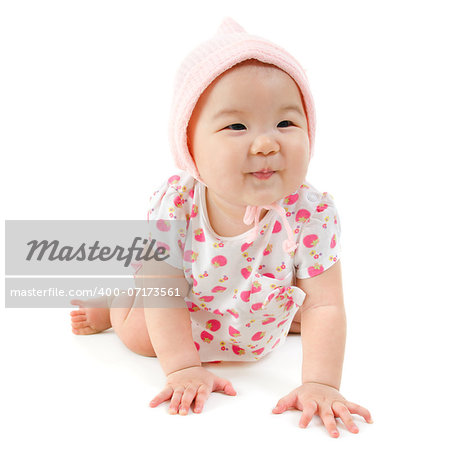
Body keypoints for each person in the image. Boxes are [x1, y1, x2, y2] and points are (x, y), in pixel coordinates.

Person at [70, 17, 373, 437]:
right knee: (141, 335)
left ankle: (260, 317)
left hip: (253, 318)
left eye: (286, 123)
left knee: (309, 308)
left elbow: (325, 305)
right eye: (236, 126)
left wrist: (321, 382)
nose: (267, 143)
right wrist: (183, 368)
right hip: (184, 309)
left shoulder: (310, 213)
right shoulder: (176, 205)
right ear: (189, 146)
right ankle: (116, 304)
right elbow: (167, 293)